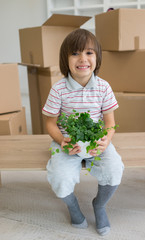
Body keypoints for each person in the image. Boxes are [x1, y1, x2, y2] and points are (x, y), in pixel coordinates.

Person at [42, 28, 124, 236]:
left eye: (89, 52)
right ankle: (73, 207)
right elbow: (50, 123)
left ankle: (100, 205)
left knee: (115, 169)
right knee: (59, 177)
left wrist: (106, 140)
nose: (83, 59)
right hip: (66, 141)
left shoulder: (103, 87)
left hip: (96, 141)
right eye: (75, 53)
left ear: (97, 57)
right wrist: (63, 140)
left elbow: (110, 122)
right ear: (65, 59)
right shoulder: (58, 89)